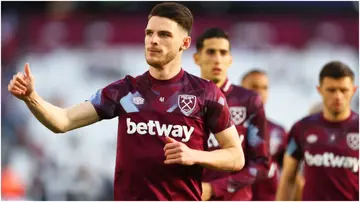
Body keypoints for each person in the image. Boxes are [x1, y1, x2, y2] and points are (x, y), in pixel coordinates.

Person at [7, 3, 245, 201]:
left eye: (164, 35)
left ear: (184, 43)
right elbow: (63, 121)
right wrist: (32, 98)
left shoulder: (206, 93)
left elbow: (236, 157)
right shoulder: (125, 91)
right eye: (149, 33)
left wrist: (195, 155)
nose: (153, 41)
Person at [193, 27, 270, 201]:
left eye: (223, 53)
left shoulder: (248, 100)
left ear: (230, 59)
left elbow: (261, 164)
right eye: (211, 52)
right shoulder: (184, 100)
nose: (217, 59)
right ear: (197, 58)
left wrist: (214, 188)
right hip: (190, 195)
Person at [276, 61, 359, 200]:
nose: (338, 96)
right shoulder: (301, 128)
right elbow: (288, 178)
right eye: (331, 90)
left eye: (343, 90)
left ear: (353, 90)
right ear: (319, 90)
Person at [241, 69, 303, 201]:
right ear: (241, 90)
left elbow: (292, 175)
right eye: (254, 87)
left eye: (264, 87)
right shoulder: (226, 128)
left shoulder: (278, 131)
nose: (259, 92)